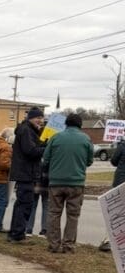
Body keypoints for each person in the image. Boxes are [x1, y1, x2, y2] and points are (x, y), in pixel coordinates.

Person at [42, 112, 94, 253]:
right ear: (80, 125)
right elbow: (89, 161)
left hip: (56, 183)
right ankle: (68, 245)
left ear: (66, 124)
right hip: (76, 183)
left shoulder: (55, 137)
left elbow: (45, 159)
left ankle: (53, 244)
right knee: (73, 216)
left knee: (54, 213)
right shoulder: (86, 139)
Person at [7, 107, 46, 243]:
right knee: (25, 204)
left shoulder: (28, 130)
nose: (40, 121)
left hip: (26, 173)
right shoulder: (26, 130)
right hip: (25, 173)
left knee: (21, 204)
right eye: (38, 118)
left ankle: (14, 233)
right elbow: (30, 150)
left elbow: (34, 146)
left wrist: (44, 139)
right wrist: (46, 149)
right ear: (30, 118)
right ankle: (18, 235)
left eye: (42, 118)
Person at [99, 138, 125, 251]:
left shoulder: (122, 146)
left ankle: (108, 241)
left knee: (115, 212)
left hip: (120, 181)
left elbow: (114, 161)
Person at [26, 162, 49, 237]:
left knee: (33, 205)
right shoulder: (51, 151)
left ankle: (29, 228)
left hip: (36, 181)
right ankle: (44, 229)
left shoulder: (36, 151)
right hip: (47, 181)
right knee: (46, 207)